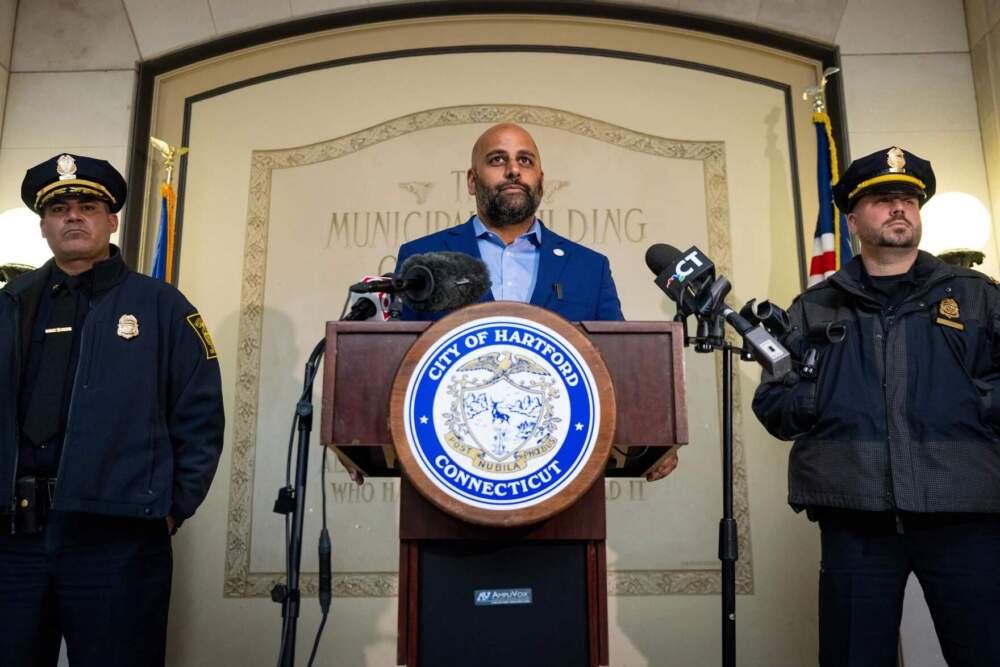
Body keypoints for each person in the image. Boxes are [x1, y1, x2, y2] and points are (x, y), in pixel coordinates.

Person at [753, 146, 1000, 666]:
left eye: (909, 199)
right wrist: (822, 392)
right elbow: (774, 406)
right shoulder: (814, 309)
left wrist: (978, 405)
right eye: (883, 199)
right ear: (852, 221)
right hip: (856, 515)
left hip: (962, 507)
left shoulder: (978, 297)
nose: (899, 208)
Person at [0, 154, 225, 666]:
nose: (73, 217)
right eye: (59, 209)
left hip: (117, 539)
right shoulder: (9, 303)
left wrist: (170, 508)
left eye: (88, 207)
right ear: (43, 226)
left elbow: (200, 416)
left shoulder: (161, 306)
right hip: (13, 539)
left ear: (112, 221)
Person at [393, 122, 676, 482]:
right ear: (471, 180)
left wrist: (654, 436)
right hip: (446, 466)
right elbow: (396, 360)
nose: (513, 170)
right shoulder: (422, 257)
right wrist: (362, 437)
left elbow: (616, 365)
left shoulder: (588, 267)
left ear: (540, 181)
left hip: (563, 469)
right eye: (498, 160)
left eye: (524, 161)